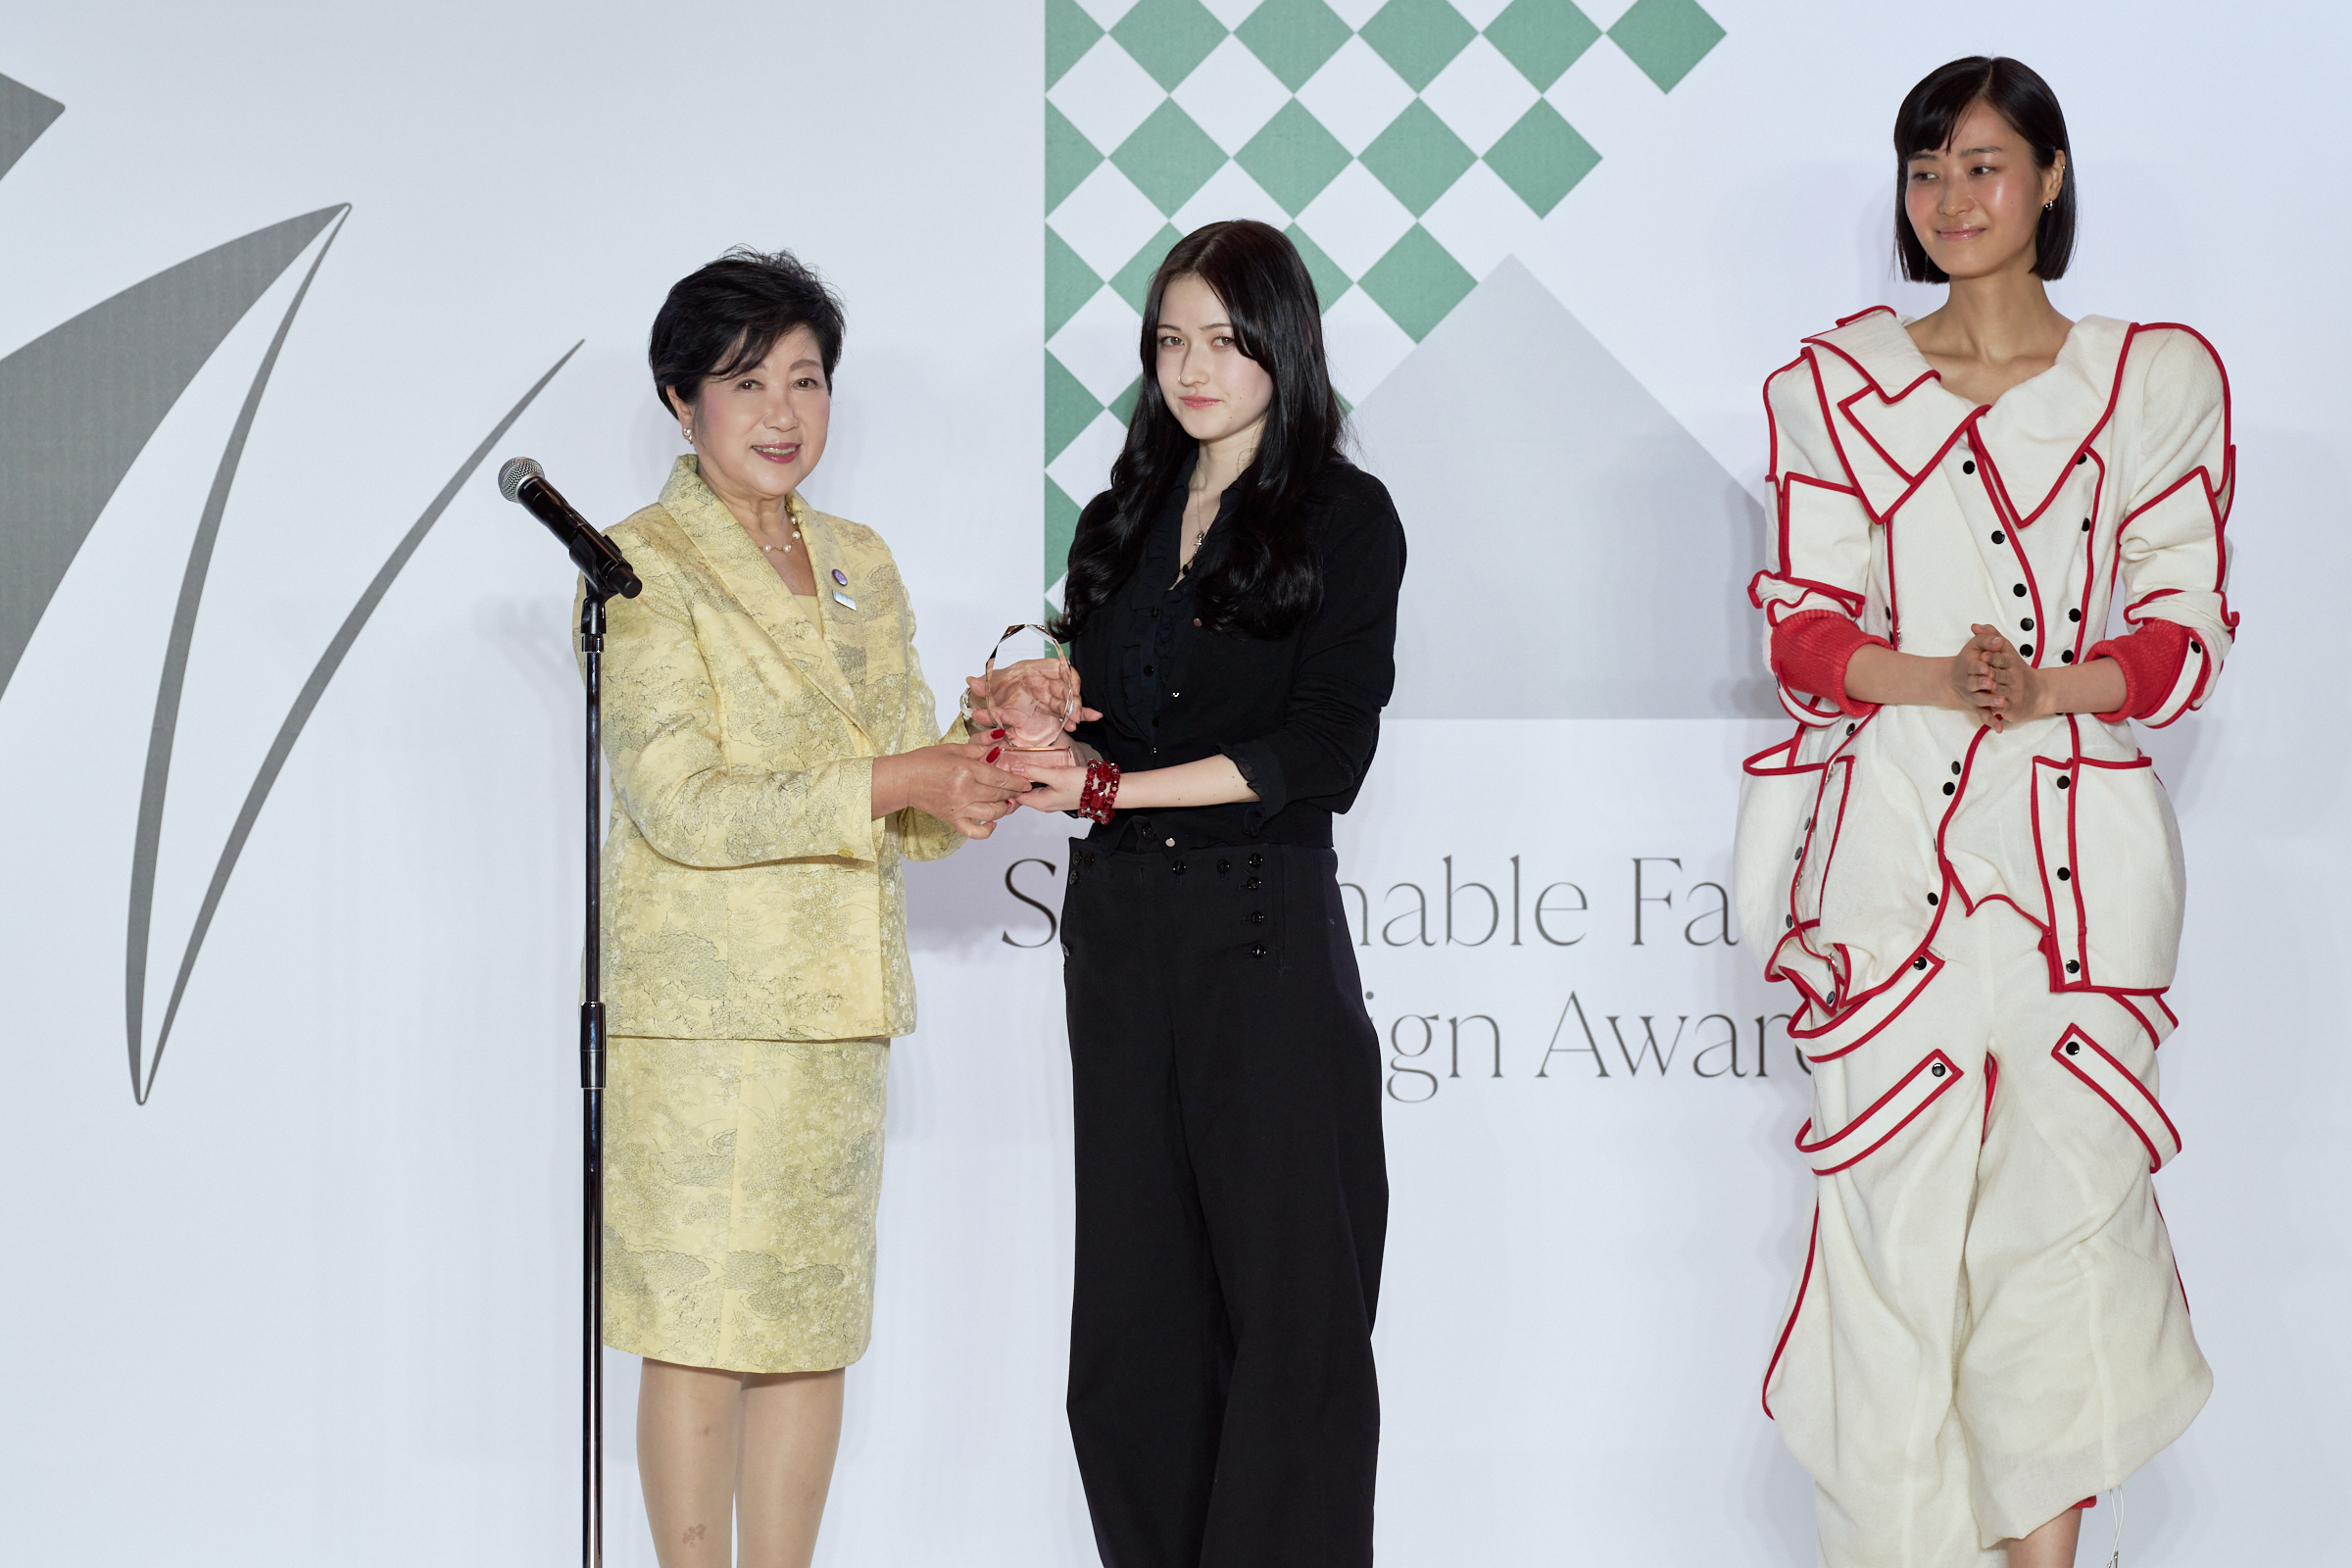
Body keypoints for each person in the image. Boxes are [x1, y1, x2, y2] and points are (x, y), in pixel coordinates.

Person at [1737, 58, 2234, 1568]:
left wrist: (2051, 689)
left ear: (2051, 178)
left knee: (2065, 1239)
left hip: (2080, 866)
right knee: (1891, 1241)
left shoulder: (2152, 380)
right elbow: (1802, 632)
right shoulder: (1835, 387)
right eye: (1925, 169)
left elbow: (2186, 634)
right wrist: (1945, 680)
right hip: (1894, 857)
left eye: (1981, 164)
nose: (1951, 199)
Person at [588, 247, 1028, 1568]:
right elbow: (682, 804)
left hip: (839, 1014)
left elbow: (913, 812)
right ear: (680, 402)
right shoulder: (638, 563)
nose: (783, 413)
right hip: (705, 1024)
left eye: (807, 379)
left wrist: (989, 750)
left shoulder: (857, 561)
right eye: (746, 382)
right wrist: (901, 777)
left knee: (807, 1327)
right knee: (700, 1330)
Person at [1007, 219, 1406, 1568]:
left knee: (1295, 1322)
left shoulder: (1345, 517)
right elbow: (1111, 721)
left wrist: (1110, 791)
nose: (1193, 368)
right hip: (1121, 940)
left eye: (1226, 341)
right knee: (1133, 1329)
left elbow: (1323, 754)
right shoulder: (1117, 517)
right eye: (1171, 341)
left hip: (1260, 930)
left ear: (1284, 347)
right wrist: (1042, 708)